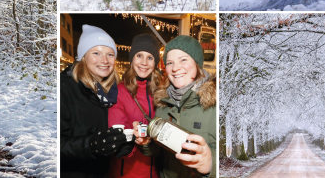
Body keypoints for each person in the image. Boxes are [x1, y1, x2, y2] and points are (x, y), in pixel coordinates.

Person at [134, 35, 216, 178]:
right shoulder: (162, 103)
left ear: (197, 63)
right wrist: (147, 143)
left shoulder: (216, 102)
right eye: (170, 63)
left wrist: (211, 165)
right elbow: (159, 152)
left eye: (183, 60)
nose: (175, 68)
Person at [61, 24, 131, 178]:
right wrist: (91, 145)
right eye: (96, 53)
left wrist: (121, 144)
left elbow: (104, 136)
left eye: (110, 54)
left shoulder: (112, 92)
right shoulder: (65, 88)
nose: (104, 60)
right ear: (83, 56)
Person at [108, 34, 162, 178]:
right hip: (127, 172)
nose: (144, 62)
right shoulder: (119, 92)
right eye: (139, 55)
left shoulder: (160, 92)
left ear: (155, 62)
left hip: (155, 172)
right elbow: (117, 139)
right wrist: (136, 139)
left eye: (150, 57)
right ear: (132, 59)